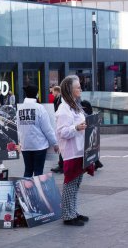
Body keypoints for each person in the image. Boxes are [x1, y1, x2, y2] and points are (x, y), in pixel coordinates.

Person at [55, 75, 90, 226]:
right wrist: (76, 127)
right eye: (77, 87)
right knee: (70, 184)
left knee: (76, 184)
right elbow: (62, 132)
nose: (80, 89)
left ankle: (73, 211)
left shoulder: (74, 106)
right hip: (71, 153)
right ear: (70, 90)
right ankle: (68, 215)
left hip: (80, 150)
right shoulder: (63, 110)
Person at [17, 85, 59, 177]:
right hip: (39, 145)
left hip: (25, 145)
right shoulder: (39, 108)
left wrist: (19, 142)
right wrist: (55, 143)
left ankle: (26, 190)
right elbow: (47, 129)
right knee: (38, 172)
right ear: (36, 94)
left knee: (28, 170)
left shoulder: (20, 108)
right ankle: (37, 190)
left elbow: (18, 128)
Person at [80, 99, 103, 171]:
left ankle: (95, 164)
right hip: (91, 134)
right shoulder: (91, 113)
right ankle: (97, 163)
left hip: (86, 135)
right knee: (92, 149)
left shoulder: (84, 114)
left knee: (88, 150)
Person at [51, 85, 64, 173]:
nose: (52, 94)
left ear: (56, 91)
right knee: (61, 146)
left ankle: (62, 166)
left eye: (52, 92)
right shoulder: (59, 99)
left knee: (62, 146)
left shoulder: (61, 99)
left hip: (61, 125)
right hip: (59, 124)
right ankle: (61, 165)